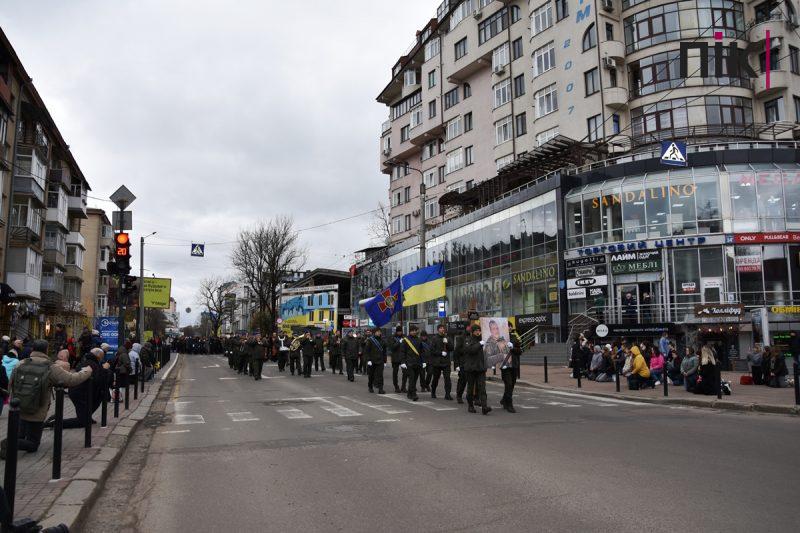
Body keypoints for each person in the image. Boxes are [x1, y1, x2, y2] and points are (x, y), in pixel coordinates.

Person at [2, 340, 92, 457]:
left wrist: (11, 401)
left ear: (33, 349)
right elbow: (71, 380)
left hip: (18, 406)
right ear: (46, 350)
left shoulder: (21, 363)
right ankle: (9, 443)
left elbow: (11, 383)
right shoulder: (50, 367)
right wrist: (86, 371)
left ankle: (13, 442)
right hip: (37, 409)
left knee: (20, 435)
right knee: (33, 445)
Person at [60, 347, 112, 429]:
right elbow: (98, 380)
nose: (102, 359)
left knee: (96, 400)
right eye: (102, 357)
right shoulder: (91, 364)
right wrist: (104, 370)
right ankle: (55, 423)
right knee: (82, 422)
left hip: (81, 392)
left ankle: (87, 417)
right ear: (99, 356)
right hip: (80, 394)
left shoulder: (88, 361)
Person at [463, 324, 491, 415]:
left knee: (482, 388)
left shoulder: (482, 340)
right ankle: (470, 406)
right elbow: (470, 350)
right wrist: (479, 344)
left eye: (479, 330)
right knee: (470, 388)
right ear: (472, 332)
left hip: (480, 368)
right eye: (476, 330)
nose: (478, 332)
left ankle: (484, 407)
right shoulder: (468, 340)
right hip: (471, 368)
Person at [428, 324, 452, 400]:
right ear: (438, 330)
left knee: (447, 378)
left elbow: (452, 348)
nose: (442, 329)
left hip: (446, 362)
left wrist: (447, 343)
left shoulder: (447, 338)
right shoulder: (434, 338)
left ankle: (447, 394)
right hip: (437, 362)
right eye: (441, 328)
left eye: (443, 328)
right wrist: (440, 353)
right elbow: (431, 350)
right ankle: (433, 392)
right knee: (435, 378)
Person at [500, 326, 521, 412]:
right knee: (508, 384)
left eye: (510, 326)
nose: (508, 328)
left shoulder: (515, 338)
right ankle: (509, 404)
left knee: (511, 384)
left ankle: (504, 400)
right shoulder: (500, 338)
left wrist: (513, 348)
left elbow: (520, 351)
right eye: (506, 326)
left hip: (514, 364)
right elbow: (496, 351)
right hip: (505, 365)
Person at [401, 325, 423, 401]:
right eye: (412, 330)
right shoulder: (406, 340)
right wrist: (403, 362)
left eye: (415, 330)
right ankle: (413, 394)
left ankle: (409, 393)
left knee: (415, 379)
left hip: (417, 362)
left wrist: (423, 361)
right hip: (409, 363)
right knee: (412, 378)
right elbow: (403, 352)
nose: (414, 332)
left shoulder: (419, 340)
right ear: (410, 331)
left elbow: (421, 351)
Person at [364, 327, 386, 394]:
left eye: (379, 331)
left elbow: (384, 352)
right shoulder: (370, 340)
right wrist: (368, 360)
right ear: (374, 332)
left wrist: (385, 361)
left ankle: (380, 389)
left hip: (380, 360)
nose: (379, 333)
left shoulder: (382, 340)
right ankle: (370, 386)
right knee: (371, 375)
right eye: (377, 332)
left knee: (380, 375)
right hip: (372, 360)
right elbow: (367, 351)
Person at [454, 328, 468, 404]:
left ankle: (471, 395)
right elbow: (456, 351)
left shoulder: (476, 337)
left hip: (472, 363)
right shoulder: (461, 338)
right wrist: (457, 364)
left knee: (472, 381)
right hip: (463, 362)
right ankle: (459, 395)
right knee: (463, 380)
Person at [389, 327, 406, 393]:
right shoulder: (392, 338)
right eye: (399, 331)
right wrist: (399, 342)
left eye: (401, 331)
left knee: (405, 372)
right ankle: (396, 386)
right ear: (396, 332)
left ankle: (403, 386)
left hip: (403, 358)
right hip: (395, 358)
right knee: (395, 373)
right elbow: (392, 347)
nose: (400, 333)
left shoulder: (404, 337)